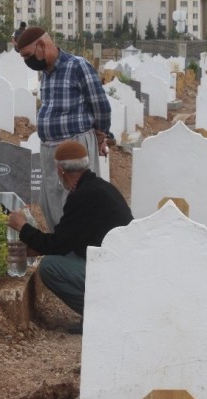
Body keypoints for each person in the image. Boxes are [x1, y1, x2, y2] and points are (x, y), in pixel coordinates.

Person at [7, 140, 133, 328]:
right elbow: (70, 239)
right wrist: (37, 246)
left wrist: (22, 227)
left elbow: (58, 244)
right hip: (125, 264)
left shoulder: (83, 196)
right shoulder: (98, 187)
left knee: (50, 267)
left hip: (116, 270)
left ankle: (101, 316)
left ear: (60, 170)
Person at [15, 26, 112, 232]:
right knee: (51, 201)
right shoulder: (46, 73)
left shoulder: (77, 66)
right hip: (49, 148)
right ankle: (60, 248)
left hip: (75, 145)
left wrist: (101, 135)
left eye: (28, 55)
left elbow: (100, 105)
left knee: (77, 203)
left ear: (42, 46)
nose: (27, 62)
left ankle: (78, 252)